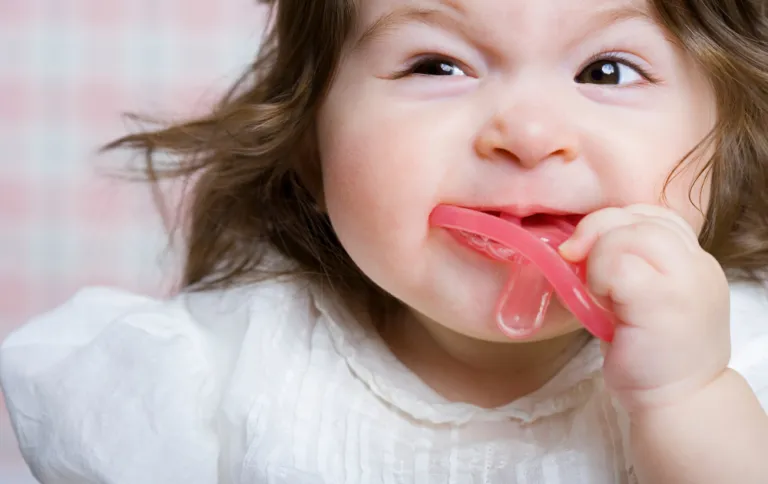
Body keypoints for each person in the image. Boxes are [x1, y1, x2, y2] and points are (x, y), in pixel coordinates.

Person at [2, 0, 768, 482]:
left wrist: (686, 398)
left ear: (726, 137)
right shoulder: (212, 377)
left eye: (606, 71)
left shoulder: (749, 358)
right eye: (438, 64)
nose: (532, 134)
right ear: (311, 144)